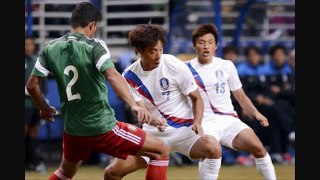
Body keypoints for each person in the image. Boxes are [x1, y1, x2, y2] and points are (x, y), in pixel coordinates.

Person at [26, 2, 170, 180]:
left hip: (73, 130)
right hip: (101, 127)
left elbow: (32, 85)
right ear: (92, 24)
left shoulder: (50, 47)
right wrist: (134, 105)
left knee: (64, 173)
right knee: (161, 150)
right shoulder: (94, 45)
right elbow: (112, 75)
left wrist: (44, 108)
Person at [104, 23, 222, 180]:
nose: (158, 55)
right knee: (111, 173)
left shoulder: (173, 64)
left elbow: (196, 98)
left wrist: (198, 122)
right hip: (153, 134)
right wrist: (150, 119)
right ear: (138, 51)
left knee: (213, 148)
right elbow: (142, 109)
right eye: (153, 51)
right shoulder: (129, 76)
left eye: (160, 50)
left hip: (184, 130)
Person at [186, 23, 276, 180]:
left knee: (258, 148)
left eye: (210, 42)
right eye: (201, 42)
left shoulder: (227, 66)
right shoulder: (185, 69)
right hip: (203, 123)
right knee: (211, 154)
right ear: (194, 46)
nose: (206, 46)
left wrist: (257, 114)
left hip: (229, 120)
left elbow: (240, 95)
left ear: (216, 46)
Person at [25, 35, 47, 174]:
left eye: (31, 44)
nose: (29, 47)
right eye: (26, 44)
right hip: (24, 104)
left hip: (35, 104)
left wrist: (42, 98)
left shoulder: (36, 60)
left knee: (33, 134)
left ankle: (34, 162)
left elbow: (43, 82)